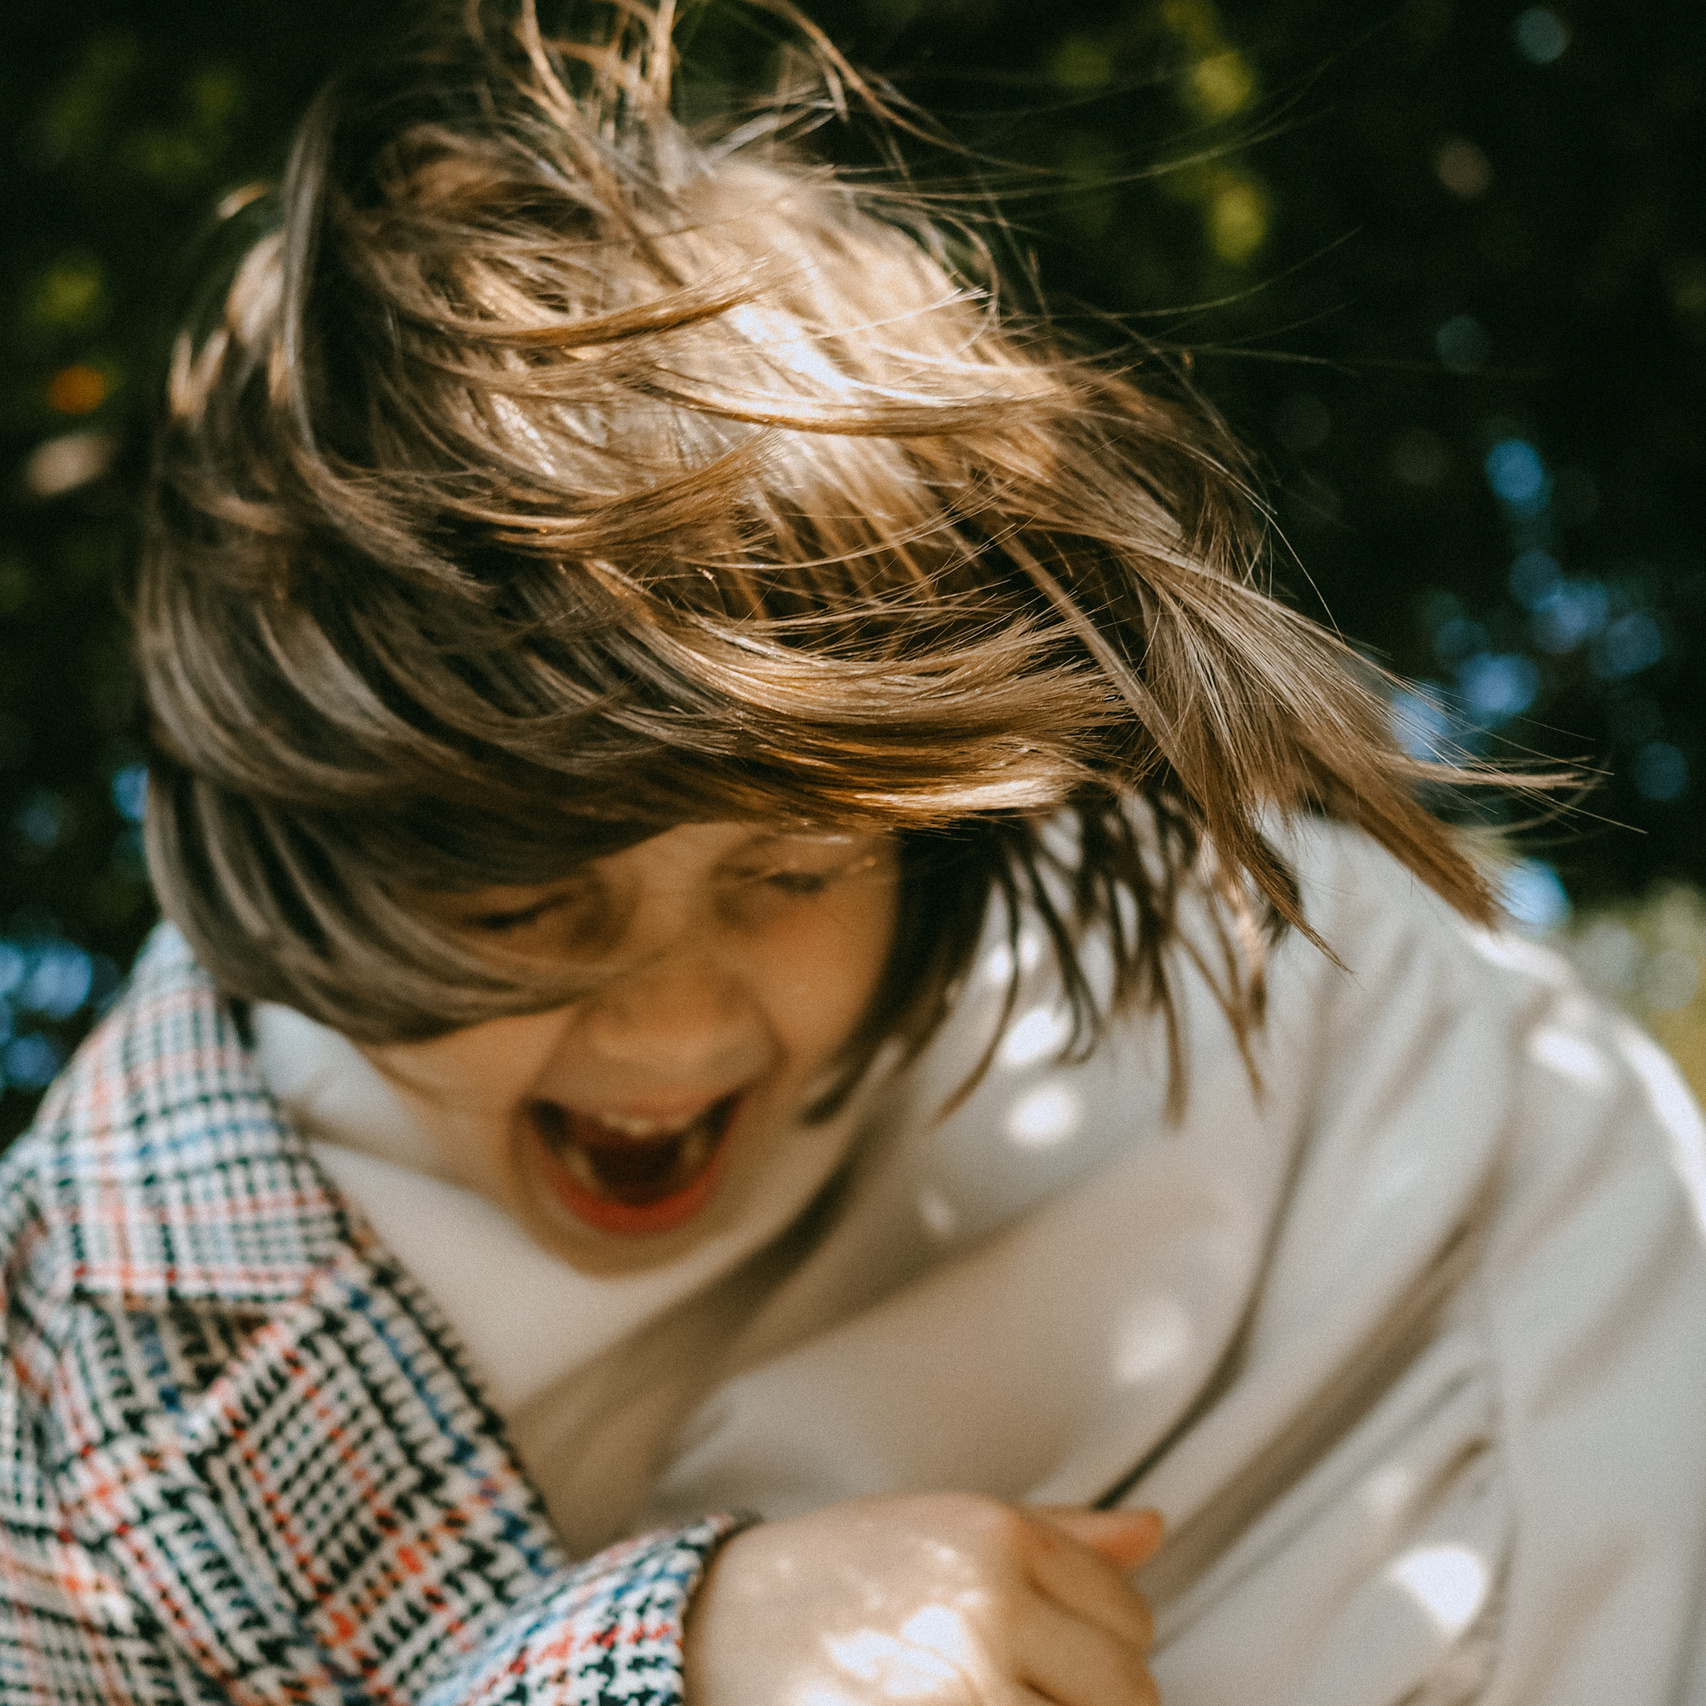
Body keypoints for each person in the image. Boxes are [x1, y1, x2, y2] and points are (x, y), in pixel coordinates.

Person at [3, 4, 1704, 1702]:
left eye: (794, 870)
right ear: (298, 859)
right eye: (528, 903)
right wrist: (666, 1655)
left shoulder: (1315, 1035)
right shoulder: (84, 1367)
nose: (673, 1029)